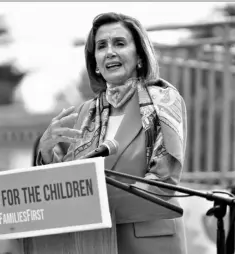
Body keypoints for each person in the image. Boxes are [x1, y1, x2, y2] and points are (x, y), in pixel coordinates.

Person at [35, 12, 188, 254]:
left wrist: (93, 202)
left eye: (119, 43)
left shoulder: (163, 100)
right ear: (94, 61)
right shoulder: (84, 113)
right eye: (101, 46)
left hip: (149, 241)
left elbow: (164, 182)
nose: (109, 52)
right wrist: (45, 154)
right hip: (93, 244)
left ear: (139, 55)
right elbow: (68, 183)